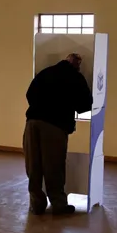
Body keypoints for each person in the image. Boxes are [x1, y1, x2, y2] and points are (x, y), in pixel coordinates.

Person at [23, 53, 93, 215]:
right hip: (55, 126)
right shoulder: (76, 78)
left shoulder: (45, 72)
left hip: (32, 122)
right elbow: (85, 105)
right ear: (77, 64)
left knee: (33, 165)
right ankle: (59, 204)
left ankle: (37, 204)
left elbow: (29, 94)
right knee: (54, 166)